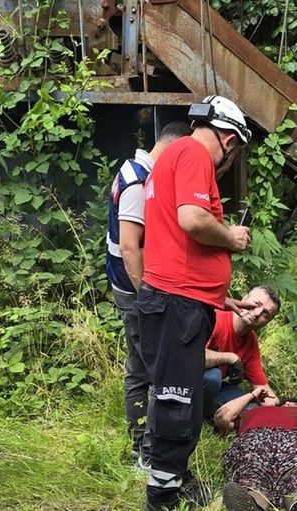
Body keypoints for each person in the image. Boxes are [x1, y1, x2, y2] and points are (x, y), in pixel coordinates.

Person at [135, 95, 254, 511]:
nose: (229, 162)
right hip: (176, 303)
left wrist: (222, 298)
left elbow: (176, 243)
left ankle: (176, 477)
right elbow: (192, 220)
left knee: (178, 395)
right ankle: (163, 496)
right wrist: (231, 237)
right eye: (234, 153)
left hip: (178, 299)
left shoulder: (171, 157)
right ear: (228, 139)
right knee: (177, 401)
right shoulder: (194, 153)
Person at [105, 121, 192, 467]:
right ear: (174, 147)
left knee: (139, 368)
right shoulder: (138, 182)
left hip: (129, 287)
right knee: (154, 372)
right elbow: (130, 247)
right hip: (135, 290)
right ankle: (148, 452)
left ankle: (139, 447)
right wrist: (147, 297)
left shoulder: (134, 169)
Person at [218, 389, 297, 511]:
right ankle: (252, 503)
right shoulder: (253, 412)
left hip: (296, 445)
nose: (288, 404)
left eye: (295, 405)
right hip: (254, 441)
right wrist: (252, 395)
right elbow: (222, 417)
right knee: (252, 472)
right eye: (285, 403)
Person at [203, 285, 282, 418]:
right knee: (213, 377)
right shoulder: (215, 317)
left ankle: (218, 413)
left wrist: (283, 411)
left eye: (265, 314)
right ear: (244, 299)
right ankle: (194, 413)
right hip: (180, 376)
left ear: (267, 322)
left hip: (210, 388)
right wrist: (231, 358)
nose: (257, 313)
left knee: (247, 403)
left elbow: (262, 388)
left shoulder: (251, 343)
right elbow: (191, 357)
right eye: (256, 304)